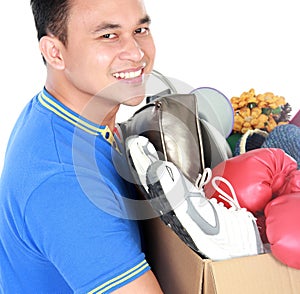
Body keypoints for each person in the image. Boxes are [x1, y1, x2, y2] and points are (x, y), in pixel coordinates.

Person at [0, 0, 163, 292]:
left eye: (140, 29)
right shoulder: (65, 182)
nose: (138, 53)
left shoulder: (62, 117)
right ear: (55, 52)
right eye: (108, 36)